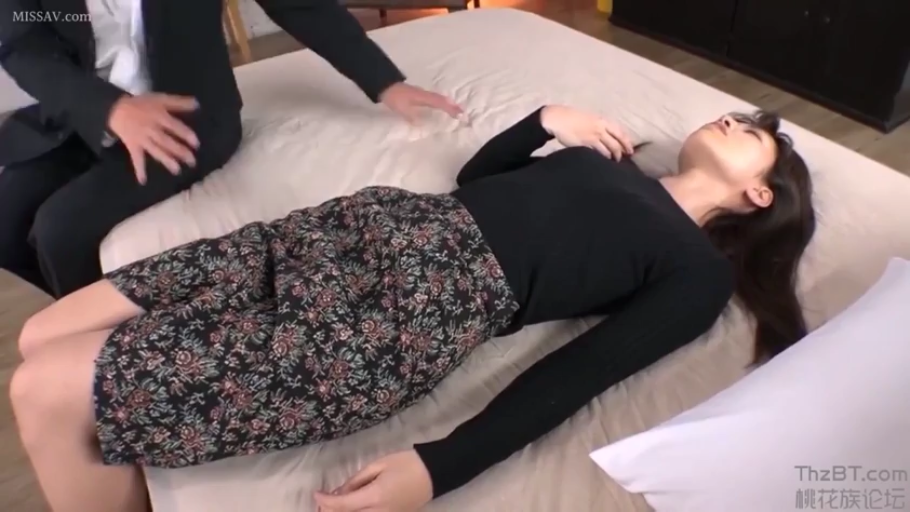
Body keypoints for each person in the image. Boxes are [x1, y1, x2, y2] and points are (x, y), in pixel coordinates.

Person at [9, 104, 816, 512]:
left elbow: (578, 375)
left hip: (400, 313)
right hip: (342, 229)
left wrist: (439, 468)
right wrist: (543, 121)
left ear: (760, 194)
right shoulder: (606, 163)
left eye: (755, 133)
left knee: (44, 387)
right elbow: (476, 182)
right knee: (44, 332)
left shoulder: (696, 274)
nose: (732, 118)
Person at [0, 0, 461, 299]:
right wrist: (107, 108)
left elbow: (297, 3)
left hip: (188, 119)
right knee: (6, 219)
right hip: (81, 113)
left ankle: (103, 357)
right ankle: (78, 319)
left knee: (60, 229)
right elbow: (23, 45)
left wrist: (384, 82)